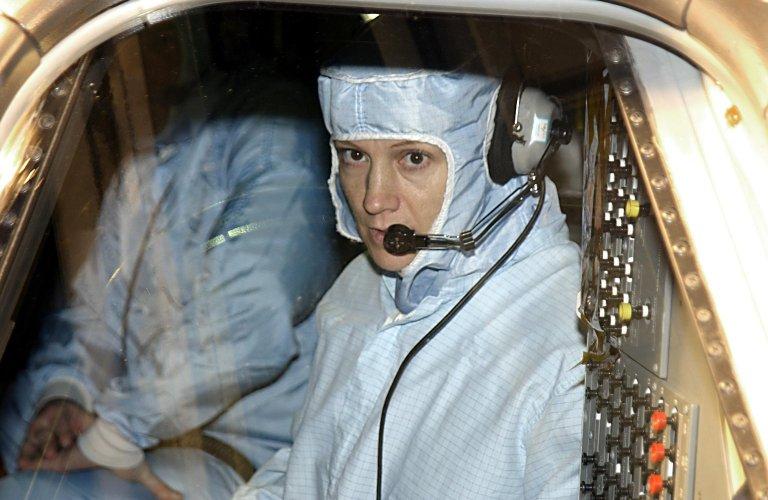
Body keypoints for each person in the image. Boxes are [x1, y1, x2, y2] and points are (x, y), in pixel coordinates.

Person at [234, 47, 586, 498]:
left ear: (502, 156)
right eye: (354, 156)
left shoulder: (565, 352)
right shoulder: (360, 284)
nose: (373, 200)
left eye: (413, 159)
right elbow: (310, 468)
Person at [0, 72, 340, 499]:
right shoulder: (150, 150)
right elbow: (92, 314)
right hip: (144, 428)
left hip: (246, 455)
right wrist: (64, 394)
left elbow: (255, 304)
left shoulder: (270, 128)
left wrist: (117, 433)